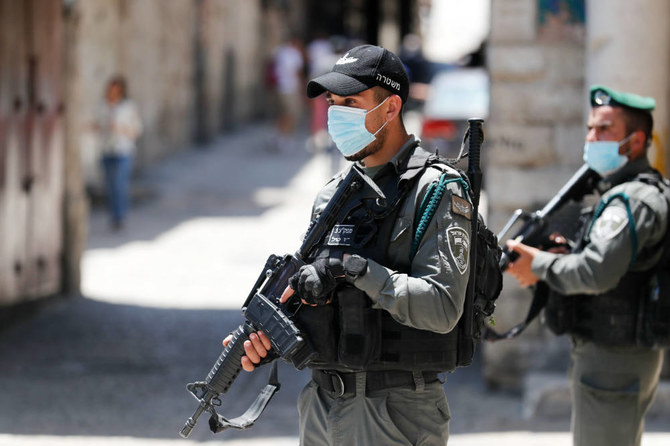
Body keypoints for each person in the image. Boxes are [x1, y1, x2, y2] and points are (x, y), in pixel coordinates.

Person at [224, 44, 474, 445]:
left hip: (394, 411)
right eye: (333, 102)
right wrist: (277, 338)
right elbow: (321, 299)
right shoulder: (333, 195)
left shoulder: (436, 190)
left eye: (351, 102)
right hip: (322, 407)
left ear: (391, 108)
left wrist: (356, 269)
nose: (335, 114)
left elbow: (442, 307)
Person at [505, 85, 666, 446]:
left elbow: (596, 272)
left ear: (636, 142)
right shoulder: (623, 193)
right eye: (591, 129)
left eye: (605, 130)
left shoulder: (631, 201)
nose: (592, 138)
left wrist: (539, 264)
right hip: (612, 357)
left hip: (612, 360)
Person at [95, 75, 143, 230]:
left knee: (119, 185)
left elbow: (137, 130)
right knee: (109, 185)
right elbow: (96, 124)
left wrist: (120, 128)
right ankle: (113, 215)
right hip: (106, 149)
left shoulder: (129, 107)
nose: (112, 92)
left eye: (115, 89)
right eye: (110, 89)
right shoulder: (102, 106)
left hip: (123, 150)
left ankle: (119, 216)